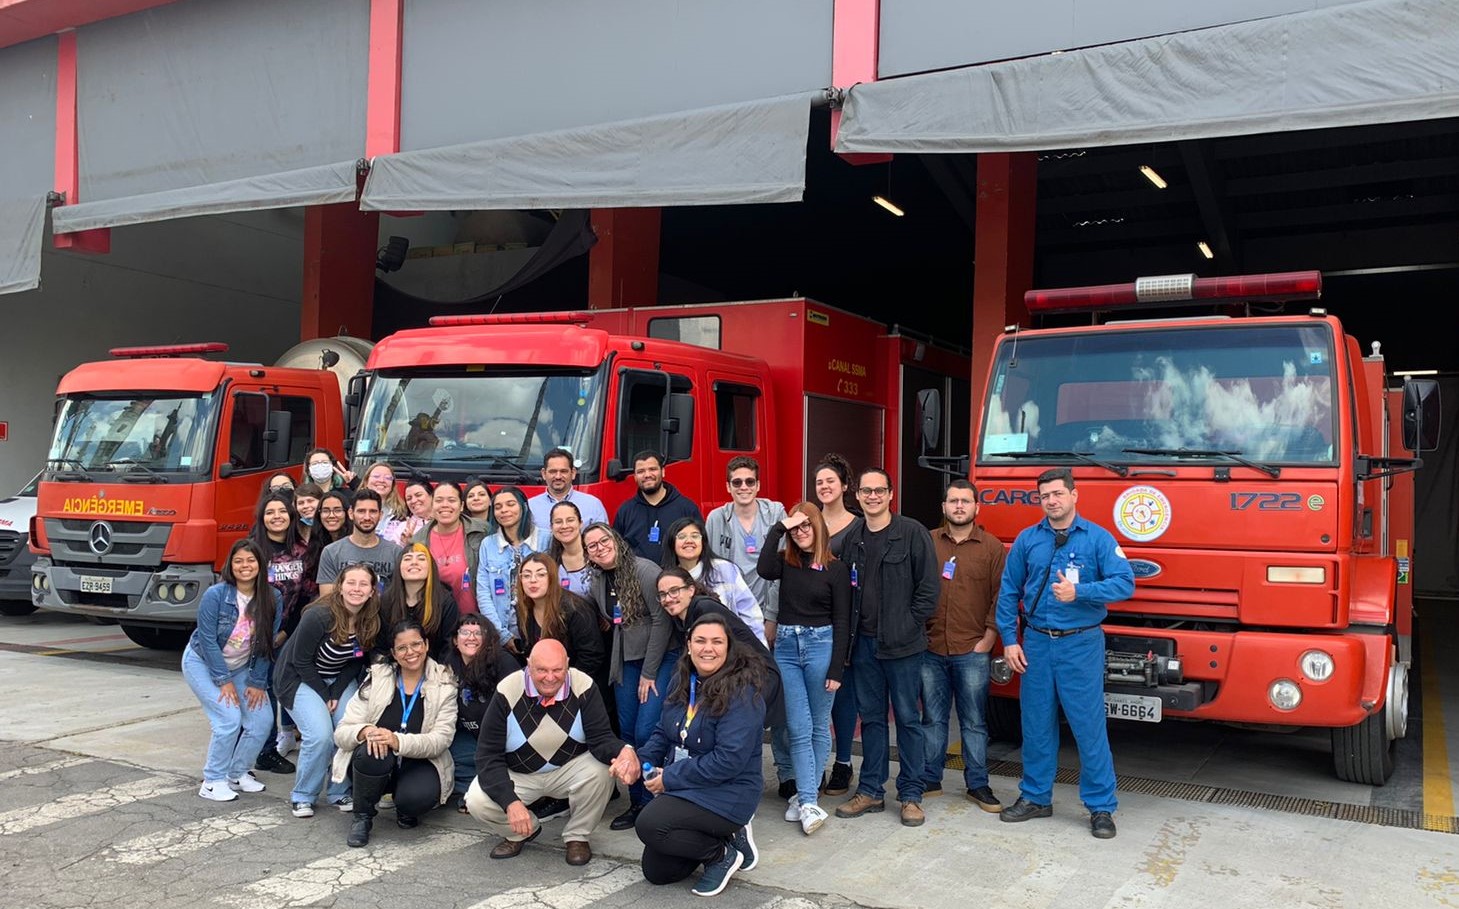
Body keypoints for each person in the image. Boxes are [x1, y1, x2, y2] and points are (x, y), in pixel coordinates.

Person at [995, 467, 1134, 839]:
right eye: (1045, 496)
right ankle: (1036, 798)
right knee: (1036, 725)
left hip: (1080, 643)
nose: (1051, 501)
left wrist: (1081, 593)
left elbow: (1125, 582)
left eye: (1058, 494)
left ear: (1074, 495)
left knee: (1088, 727)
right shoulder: (1028, 540)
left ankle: (1101, 807)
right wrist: (1010, 639)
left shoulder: (1098, 539)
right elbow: (1009, 592)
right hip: (1037, 643)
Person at [465, 639, 639, 866]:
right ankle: (522, 831)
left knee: (601, 770)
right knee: (477, 800)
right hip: (519, 774)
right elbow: (488, 755)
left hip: (567, 769)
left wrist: (625, 751)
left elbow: (601, 739)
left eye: (557, 670)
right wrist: (511, 802)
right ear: (528, 664)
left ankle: (578, 836)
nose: (550, 677)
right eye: (541, 670)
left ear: (567, 664)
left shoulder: (583, 685)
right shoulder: (507, 690)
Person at [629, 613, 766, 897]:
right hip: (690, 785)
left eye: (717, 642)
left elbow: (728, 761)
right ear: (689, 645)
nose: (708, 648)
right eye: (700, 641)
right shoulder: (682, 679)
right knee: (658, 872)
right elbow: (663, 732)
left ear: (729, 648)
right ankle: (724, 835)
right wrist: (638, 760)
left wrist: (669, 778)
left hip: (729, 790)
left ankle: (721, 854)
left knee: (650, 823)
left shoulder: (743, 692)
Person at [835, 468, 940, 828]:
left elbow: (929, 590)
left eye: (879, 490)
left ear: (891, 494)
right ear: (859, 496)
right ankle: (870, 791)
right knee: (873, 720)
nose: (873, 496)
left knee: (909, 720)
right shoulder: (853, 539)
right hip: (863, 645)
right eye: (867, 491)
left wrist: (907, 625)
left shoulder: (912, 533)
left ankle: (911, 795)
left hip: (904, 647)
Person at [757, 502, 851, 835]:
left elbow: (842, 621)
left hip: (821, 646)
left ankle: (806, 798)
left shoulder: (836, 569)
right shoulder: (785, 563)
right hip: (786, 646)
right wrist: (779, 528)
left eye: (806, 526)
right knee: (798, 726)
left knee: (818, 727)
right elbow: (763, 567)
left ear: (819, 527)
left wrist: (837, 669)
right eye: (796, 529)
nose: (802, 532)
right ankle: (809, 800)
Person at [331, 618, 459, 847]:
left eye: (416, 644)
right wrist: (365, 731)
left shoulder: (444, 682)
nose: (410, 652)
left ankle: (405, 806)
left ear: (427, 645)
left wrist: (396, 740)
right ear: (393, 652)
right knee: (371, 751)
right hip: (378, 762)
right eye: (402, 647)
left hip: (421, 761)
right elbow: (342, 732)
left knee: (415, 800)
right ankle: (362, 817)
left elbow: (441, 740)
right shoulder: (378, 677)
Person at [581, 522, 674, 832]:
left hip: (656, 659)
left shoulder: (645, 571)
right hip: (624, 660)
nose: (599, 547)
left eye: (603, 540)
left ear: (616, 540)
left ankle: (653, 800)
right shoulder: (597, 578)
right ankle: (637, 801)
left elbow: (662, 622)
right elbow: (611, 619)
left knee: (648, 730)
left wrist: (649, 673)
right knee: (628, 734)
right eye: (591, 545)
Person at [922, 479, 1007, 810]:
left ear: (976, 507)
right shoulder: (927, 542)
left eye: (965, 501)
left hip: (972, 649)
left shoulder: (991, 547)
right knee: (932, 718)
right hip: (930, 648)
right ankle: (930, 778)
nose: (959, 506)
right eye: (953, 501)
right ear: (944, 507)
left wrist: (989, 637)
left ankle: (978, 784)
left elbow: (1002, 596)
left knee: (973, 722)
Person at [275, 563, 382, 817]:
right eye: (351, 583)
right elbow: (301, 661)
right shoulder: (319, 615)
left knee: (348, 729)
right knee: (320, 735)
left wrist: (336, 693)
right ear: (340, 587)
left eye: (363, 584)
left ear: (371, 591)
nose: (356, 589)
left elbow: (356, 659)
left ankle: (338, 790)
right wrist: (324, 695)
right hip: (299, 678)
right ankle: (303, 795)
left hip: (338, 678)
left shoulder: (371, 617)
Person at [181, 539, 282, 802]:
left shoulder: (273, 597)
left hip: (241, 667)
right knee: (228, 720)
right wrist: (222, 680)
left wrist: (257, 681)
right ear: (230, 565)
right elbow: (207, 640)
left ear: (260, 564)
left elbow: (266, 642)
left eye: (251, 560)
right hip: (202, 663)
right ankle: (212, 780)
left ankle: (236, 773)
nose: (245, 566)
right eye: (238, 561)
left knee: (261, 721)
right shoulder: (216, 595)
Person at [654, 568, 784, 736]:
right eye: (663, 594)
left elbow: (731, 651)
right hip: (734, 675)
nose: (668, 599)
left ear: (691, 590)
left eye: (674, 591)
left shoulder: (704, 608)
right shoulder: (685, 617)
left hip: (755, 676)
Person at [248, 491, 315, 773]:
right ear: (262, 518)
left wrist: (285, 632)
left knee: (277, 690)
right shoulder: (252, 550)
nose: (276, 517)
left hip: (286, 632)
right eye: (270, 512)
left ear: (291, 516)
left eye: (282, 512)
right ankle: (251, 752)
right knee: (255, 692)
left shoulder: (302, 551)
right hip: (253, 633)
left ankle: (270, 750)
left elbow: (306, 596)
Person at [814, 453, 863, 798]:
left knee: (843, 693)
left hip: (848, 620)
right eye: (819, 482)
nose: (825, 487)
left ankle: (843, 763)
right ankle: (814, 764)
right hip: (812, 621)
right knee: (815, 696)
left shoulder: (859, 526)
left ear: (845, 486)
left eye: (831, 481)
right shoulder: (806, 521)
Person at [704, 456, 786, 643]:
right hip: (729, 613)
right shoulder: (716, 519)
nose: (743, 487)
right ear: (728, 487)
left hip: (766, 611)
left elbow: (783, 569)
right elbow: (709, 570)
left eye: (750, 481)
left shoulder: (776, 515)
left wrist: (772, 617)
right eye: (737, 482)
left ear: (758, 485)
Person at [444, 613, 518, 811]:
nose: (471, 637)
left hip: (504, 741)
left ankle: (486, 792)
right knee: (444, 756)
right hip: (471, 737)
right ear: (455, 639)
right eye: (465, 632)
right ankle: (476, 787)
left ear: (488, 638)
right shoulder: (448, 665)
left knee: (493, 764)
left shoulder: (504, 663)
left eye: (479, 633)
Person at [662, 516, 765, 645]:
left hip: (733, 647)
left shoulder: (724, 569)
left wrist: (759, 650)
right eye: (682, 537)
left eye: (695, 536)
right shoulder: (667, 580)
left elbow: (750, 613)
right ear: (672, 543)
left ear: (703, 542)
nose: (689, 541)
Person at [477, 485, 550, 651]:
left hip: (542, 630)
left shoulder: (547, 539)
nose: (504, 510)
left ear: (523, 506)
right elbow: (483, 592)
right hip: (503, 632)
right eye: (498, 507)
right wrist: (501, 635)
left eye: (510, 504)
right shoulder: (488, 544)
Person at [514, 553, 605, 679]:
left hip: (579, 681)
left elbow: (591, 657)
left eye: (541, 574)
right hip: (544, 681)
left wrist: (565, 684)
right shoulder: (522, 610)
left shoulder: (576, 609)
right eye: (526, 575)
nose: (532, 580)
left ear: (552, 577)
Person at [612, 450, 702, 563]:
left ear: (663, 472)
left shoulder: (687, 508)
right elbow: (616, 550)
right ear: (635, 477)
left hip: (676, 578)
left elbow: (700, 547)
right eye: (641, 471)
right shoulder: (625, 511)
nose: (647, 475)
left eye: (652, 469)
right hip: (637, 579)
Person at [411, 481, 487, 615]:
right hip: (437, 620)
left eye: (451, 500)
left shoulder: (481, 530)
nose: (445, 505)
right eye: (439, 500)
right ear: (432, 505)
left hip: (476, 621)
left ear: (462, 506)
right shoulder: (418, 541)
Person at [379, 543, 461, 659]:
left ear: (430, 567)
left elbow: (448, 647)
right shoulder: (386, 601)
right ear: (398, 567)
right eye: (407, 559)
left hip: (435, 669)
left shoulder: (445, 602)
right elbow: (381, 645)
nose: (414, 562)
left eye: (421, 558)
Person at [316, 489, 403, 598]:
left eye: (373, 511)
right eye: (361, 511)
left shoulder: (395, 552)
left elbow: (400, 597)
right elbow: (326, 599)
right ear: (351, 514)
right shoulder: (331, 552)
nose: (367, 517)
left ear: (380, 515)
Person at [527, 447, 609, 530]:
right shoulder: (530, 507)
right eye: (553, 472)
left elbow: (603, 539)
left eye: (563, 471)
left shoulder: (593, 505)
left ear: (573, 473)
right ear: (544, 474)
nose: (558, 476)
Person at [547, 500, 593, 596]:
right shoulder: (548, 562)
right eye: (558, 522)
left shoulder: (596, 555)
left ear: (581, 523)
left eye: (570, 520)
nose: (564, 526)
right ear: (551, 527)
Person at [358, 461, 408, 543]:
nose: (381, 480)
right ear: (366, 481)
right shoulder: (353, 508)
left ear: (392, 485)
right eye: (376, 476)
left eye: (388, 478)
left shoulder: (402, 512)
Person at [394, 479, 434, 547]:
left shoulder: (445, 522)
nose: (413, 501)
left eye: (418, 495)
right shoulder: (402, 529)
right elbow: (395, 556)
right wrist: (406, 544)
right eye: (409, 498)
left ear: (432, 496)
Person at [292, 481, 324, 547]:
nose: (305, 506)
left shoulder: (330, 526)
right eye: (300, 503)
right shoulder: (293, 530)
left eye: (310, 501)